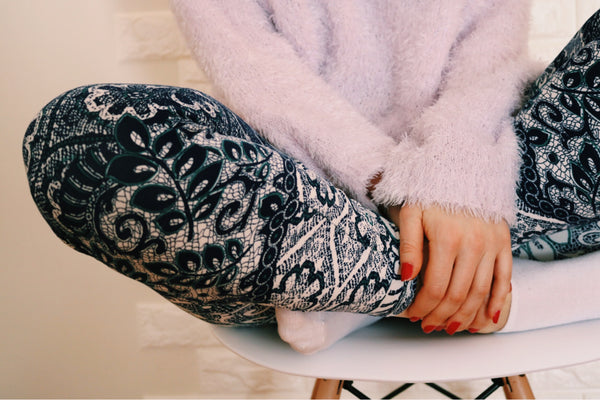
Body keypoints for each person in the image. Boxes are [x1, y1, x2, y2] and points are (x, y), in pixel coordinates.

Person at [22, 1, 600, 354]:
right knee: (77, 138)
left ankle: (369, 293)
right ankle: (501, 283)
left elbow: (489, 68)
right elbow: (266, 86)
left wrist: (457, 181)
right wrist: (391, 185)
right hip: (307, 206)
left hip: (493, 172)